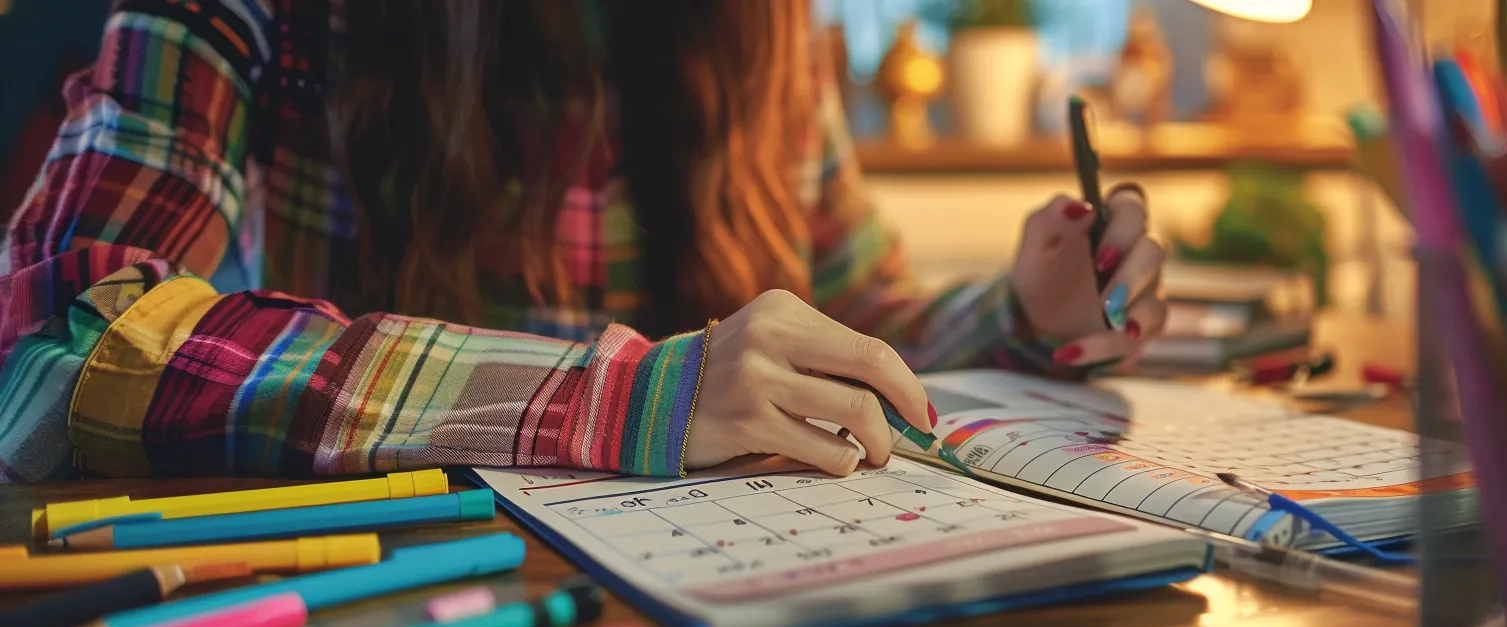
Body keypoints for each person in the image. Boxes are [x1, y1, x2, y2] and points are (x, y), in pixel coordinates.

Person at [0, 0, 1166, 483]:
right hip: (385, 596)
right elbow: (63, 342)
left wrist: (1024, 312)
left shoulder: (763, 27)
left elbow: (854, 327)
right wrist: (620, 400)